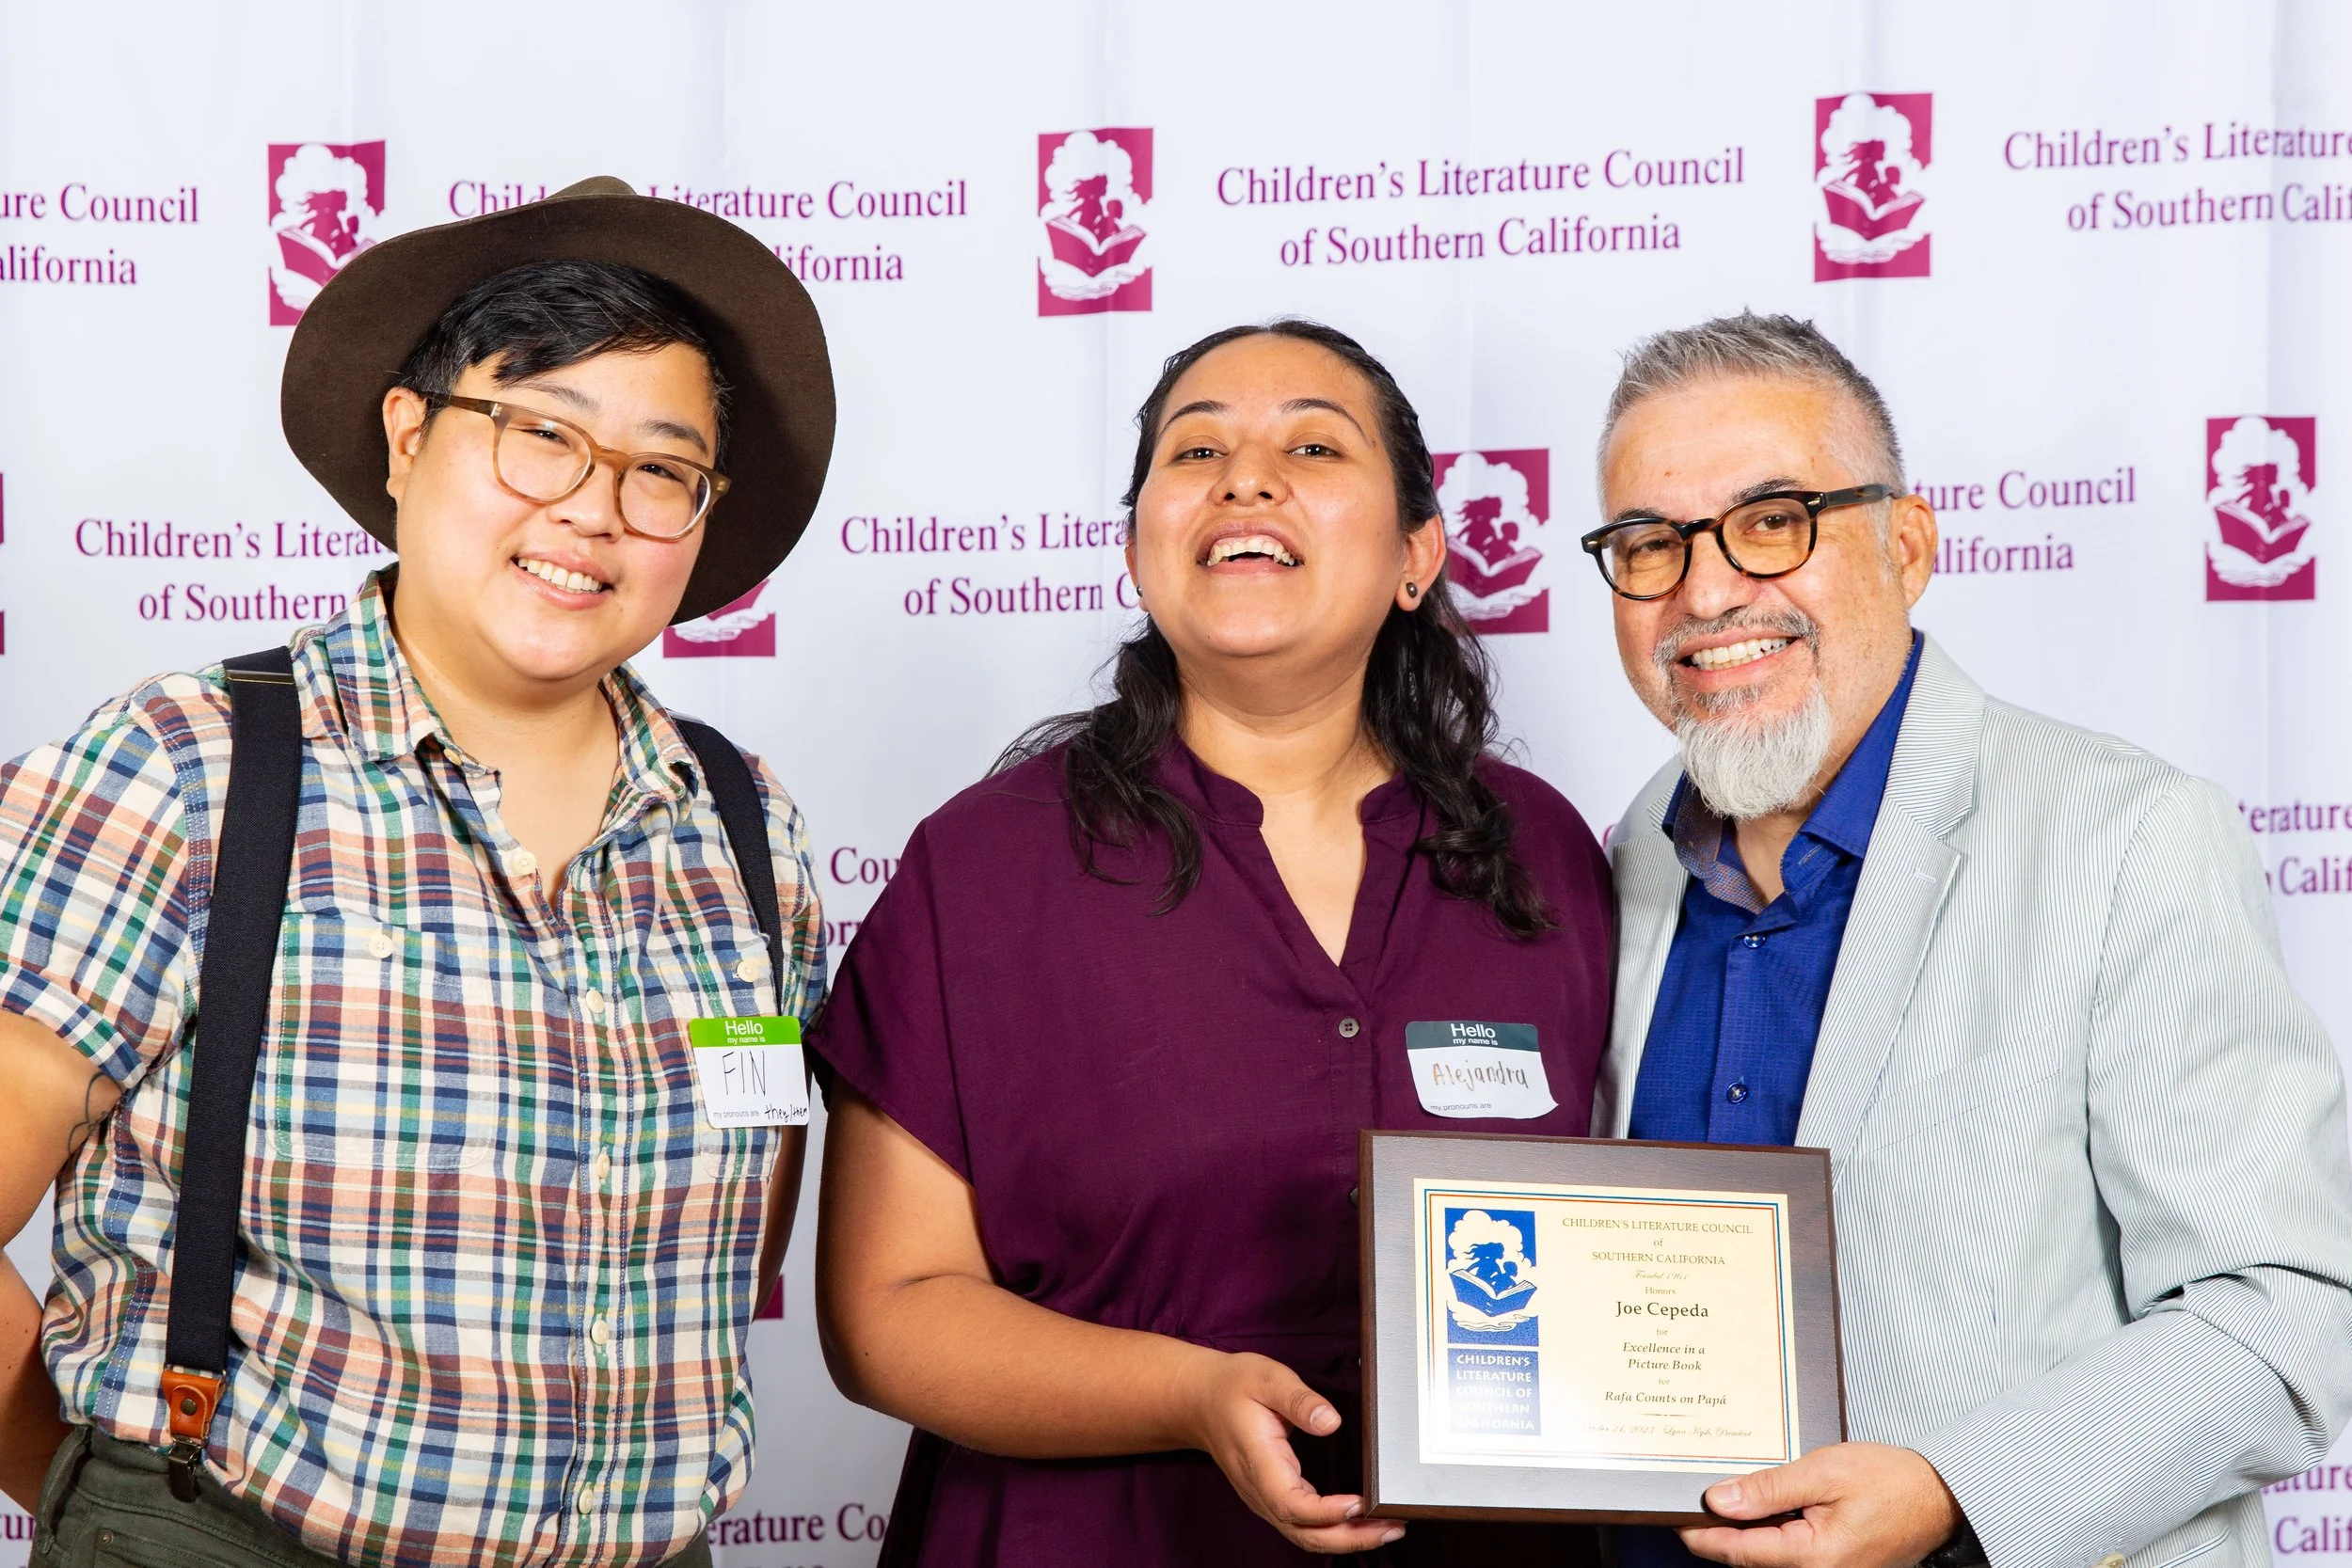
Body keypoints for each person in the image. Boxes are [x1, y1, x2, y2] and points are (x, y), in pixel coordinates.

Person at [0, 178, 837, 1566]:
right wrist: (99, 1487)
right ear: (407, 435)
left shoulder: (746, 828)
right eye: (538, 435)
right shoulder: (190, 768)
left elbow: (741, 1228)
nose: (593, 511)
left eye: (659, 470)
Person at [811, 320, 1613, 1564]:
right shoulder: (980, 868)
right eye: (1196, 450)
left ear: (1417, 556)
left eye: (1312, 444)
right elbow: (885, 1314)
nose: (1247, 476)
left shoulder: (1550, 858)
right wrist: (1188, 1393)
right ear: (1140, 544)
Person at [1581, 312, 2352, 1568]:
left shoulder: (2129, 839)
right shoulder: (1620, 866)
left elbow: (2285, 1310)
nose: (1707, 589)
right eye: (1649, 544)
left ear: (1908, 543)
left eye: (1773, 520)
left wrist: (1959, 1489)